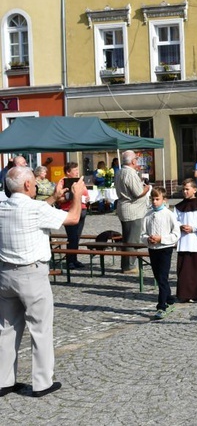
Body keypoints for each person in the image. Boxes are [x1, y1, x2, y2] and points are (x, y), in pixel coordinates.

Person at [0, 166, 85, 397]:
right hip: (32, 274)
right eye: (34, 184)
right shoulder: (35, 208)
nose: (37, 187)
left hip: (5, 274)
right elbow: (74, 218)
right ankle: (42, 383)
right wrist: (76, 196)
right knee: (40, 328)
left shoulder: (2, 207)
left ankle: (3, 381)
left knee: (6, 329)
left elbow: (31, 211)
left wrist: (54, 198)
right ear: (28, 185)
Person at [141, 187, 180, 320]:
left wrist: (162, 239)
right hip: (152, 249)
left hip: (165, 249)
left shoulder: (169, 214)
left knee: (163, 277)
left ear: (164, 200)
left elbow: (176, 234)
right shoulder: (148, 215)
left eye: (158, 199)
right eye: (153, 199)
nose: (155, 202)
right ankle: (169, 298)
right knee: (158, 277)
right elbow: (142, 233)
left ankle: (161, 306)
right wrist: (148, 239)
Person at [174, 179, 197, 303]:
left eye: (187, 189)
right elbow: (174, 221)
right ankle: (185, 294)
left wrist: (193, 228)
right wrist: (180, 226)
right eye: (183, 189)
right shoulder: (178, 206)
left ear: (194, 190)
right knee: (185, 271)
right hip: (184, 241)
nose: (185, 191)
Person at [114, 150, 151, 273]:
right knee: (132, 240)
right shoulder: (129, 173)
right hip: (132, 210)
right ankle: (129, 266)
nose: (137, 160)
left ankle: (126, 264)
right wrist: (147, 188)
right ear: (133, 161)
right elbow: (138, 193)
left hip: (125, 208)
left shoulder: (120, 171)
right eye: (136, 158)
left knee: (127, 238)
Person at [59, 162, 90, 270]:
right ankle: (70, 261)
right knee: (72, 237)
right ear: (68, 172)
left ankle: (74, 259)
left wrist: (87, 199)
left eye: (77, 169)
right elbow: (59, 199)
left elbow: (86, 194)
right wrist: (70, 197)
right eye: (75, 170)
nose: (77, 172)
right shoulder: (63, 182)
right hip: (69, 211)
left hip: (82, 210)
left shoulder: (80, 182)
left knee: (77, 237)